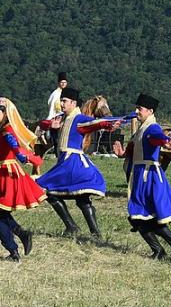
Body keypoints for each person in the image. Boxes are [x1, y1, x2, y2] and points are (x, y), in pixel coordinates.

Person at [35, 86, 126, 239]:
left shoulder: (79, 118)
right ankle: (93, 232)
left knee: (48, 191)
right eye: (61, 101)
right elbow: (43, 123)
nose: (62, 104)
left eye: (64, 101)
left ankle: (73, 226)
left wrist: (110, 123)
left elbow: (95, 123)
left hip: (72, 162)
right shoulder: (62, 118)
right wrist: (51, 125)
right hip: (65, 162)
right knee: (81, 198)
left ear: (73, 103)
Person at [112, 94, 171, 262]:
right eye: (137, 108)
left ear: (150, 111)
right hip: (140, 176)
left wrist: (167, 142)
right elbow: (133, 150)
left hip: (149, 177)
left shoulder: (152, 127)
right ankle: (166, 250)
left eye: (140, 109)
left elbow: (159, 138)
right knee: (140, 217)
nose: (136, 111)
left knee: (144, 217)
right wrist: (122, 154)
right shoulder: (141, 129)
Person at [0, 98, 44, 261]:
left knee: (1, 215)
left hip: (7, 173)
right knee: (2, 215)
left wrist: (20, 154)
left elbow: (13, 143)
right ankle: (21, 235)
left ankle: (13, 250)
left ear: (6, 113)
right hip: (3, 172)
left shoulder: (6, 129)